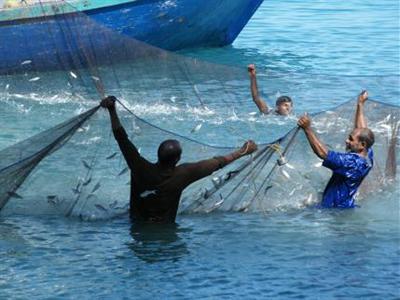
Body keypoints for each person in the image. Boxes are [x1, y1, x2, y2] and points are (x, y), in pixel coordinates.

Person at [100, 96, 257, 223]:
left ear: (158, 155)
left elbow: (122, 139)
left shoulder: (140, 168)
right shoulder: (183, 174)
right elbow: (219, 162)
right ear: (177, 159)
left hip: (136, 226)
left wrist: (112, 110)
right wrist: (244, 151)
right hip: (166, 230)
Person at [297, 90, 374, 208]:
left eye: (350, 139)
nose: (346, 141)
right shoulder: (368, 155)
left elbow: (322, 153)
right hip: (346, 206)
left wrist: (307, 129)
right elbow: (362, 129)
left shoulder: (351, 162)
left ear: (362, 145)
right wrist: (360, 105)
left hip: (333, 210)